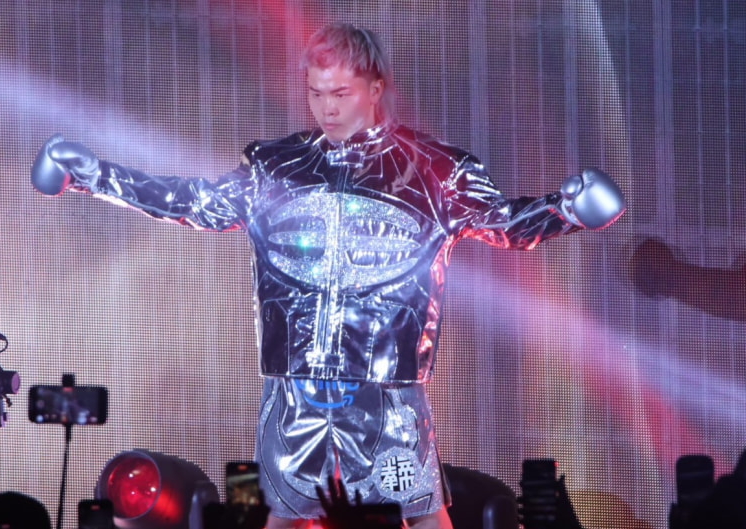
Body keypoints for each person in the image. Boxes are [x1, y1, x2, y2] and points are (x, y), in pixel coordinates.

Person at [31, 23, 625, 529]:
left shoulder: (435, 170)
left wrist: (567, 210)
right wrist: (93, 176)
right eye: (316, 93)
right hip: (294, 388)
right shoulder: (275, 166)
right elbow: (193, 201)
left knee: (423, 515)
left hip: (386, 389)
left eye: (341, 92)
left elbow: (504, 222)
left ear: (375, 88)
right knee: (280, 514)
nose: (328, 108)